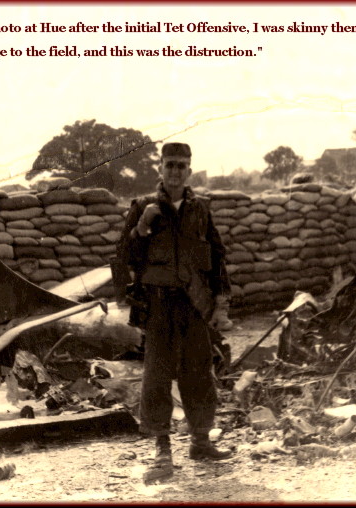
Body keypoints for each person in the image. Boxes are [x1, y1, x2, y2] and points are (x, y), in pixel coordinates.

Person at [117, 142, 233, 483]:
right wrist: (141, 229)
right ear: (160, 169)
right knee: (157, 375)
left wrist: (221, 302)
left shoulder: (200, 210)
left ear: (190, 171)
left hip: (194, 304)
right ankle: (162, 449)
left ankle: (200, 442)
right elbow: (123, 256)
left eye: (182, 166)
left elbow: (217, 256)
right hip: (158, 304)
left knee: (198, 372)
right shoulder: (142, 206)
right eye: (170, 165)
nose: (175, 171)